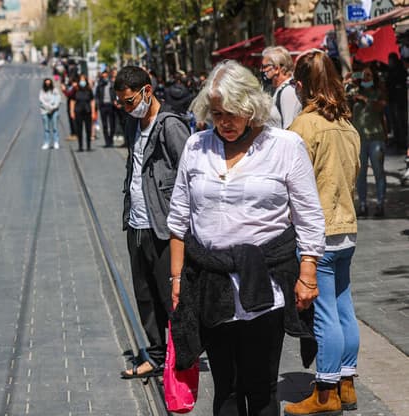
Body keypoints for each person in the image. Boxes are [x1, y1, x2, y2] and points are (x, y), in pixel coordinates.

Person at [168, 60, 325, 415]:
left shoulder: (285, 146)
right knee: (225, 385)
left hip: (266, 285)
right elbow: (178, 218)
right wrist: (177, 278)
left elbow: (309, 215)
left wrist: (308, 273)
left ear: (251, 107)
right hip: (211, 284)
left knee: (261, 386)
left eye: (233, 114)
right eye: (217, 113)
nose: (224, 122)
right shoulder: (196, 147)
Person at [283, 48, 361, 416]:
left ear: (301, 86)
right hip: (346, 228)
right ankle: (346, 384)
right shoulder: (347, 125)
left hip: (319, 232)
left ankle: (325, 391)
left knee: (325, 313)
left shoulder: (304, 126)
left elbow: (288, 182)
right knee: (344, 307)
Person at [113, 66, 190, 379]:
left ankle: (182, 356)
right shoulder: (133, 125)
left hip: (163, 224)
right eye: (122, 103)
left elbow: (190, 170)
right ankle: (156, 354)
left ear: (147, 91)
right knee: (144, 294)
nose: (127, 108)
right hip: (137, 223)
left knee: (169, 295)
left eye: (130, 101)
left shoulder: (170, 125)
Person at [351, 66, 387, 217]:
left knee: (378, 172)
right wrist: (349, 79)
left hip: (376, 138)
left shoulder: (378, 93)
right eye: (363, 75)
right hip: (359, 139)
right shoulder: (353, 93)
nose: (366, 77)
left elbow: (381, 106)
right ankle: (363, 204)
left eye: (369, 75)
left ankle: (380, 204)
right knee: (361, 174)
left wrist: (366, 99)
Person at [261, 46, 302, 129]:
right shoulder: (277, 89)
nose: (261, 70)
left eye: (264, 67)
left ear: (276, 68)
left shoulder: (288, 91)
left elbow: (289, 127)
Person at [70, 74, 95, 152]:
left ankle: (88, 146)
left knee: (88, 129)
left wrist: (93, 112)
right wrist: (72, 112)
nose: (82, 81)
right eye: (81, 80)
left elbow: (92, 101)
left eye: (84, 80)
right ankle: (80, 146)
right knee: (79, 129)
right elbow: (72, 101)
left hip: (87, 111)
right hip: (78, 111)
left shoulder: (89, 90)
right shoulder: (76, 89)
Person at [95, 70, 118, 148]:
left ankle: (111, 140)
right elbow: (97, 95)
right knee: (104, 124)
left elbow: (116, 93)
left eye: (106, 76)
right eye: (103, 76)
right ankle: (107, 141)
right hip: (103, 106)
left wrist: (115, 101)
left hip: (111, 105)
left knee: (112, 124)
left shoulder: (112, 83)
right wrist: (98, 104)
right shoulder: (100, 84)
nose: (104, 78)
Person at [39, 78, 61, 150]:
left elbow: (58, 99)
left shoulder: (55, 90)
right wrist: (48, 107)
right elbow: (41, 101)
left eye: (49, 83)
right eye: (46, 83)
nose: (48, 84)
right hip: (44, 111)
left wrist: (53, 107)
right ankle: (46, 142)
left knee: (55, 127)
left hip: (54, 111)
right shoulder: (42, 91)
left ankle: (56, 142)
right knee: (46, 128)